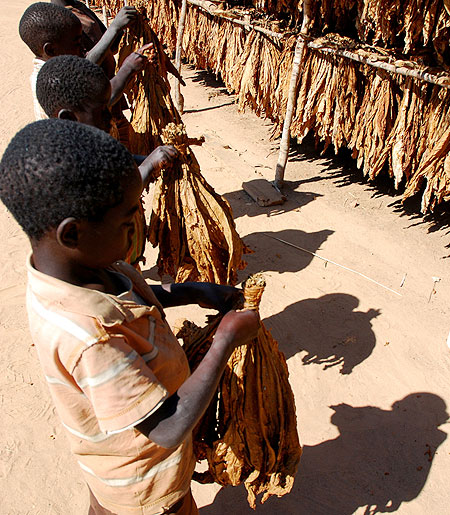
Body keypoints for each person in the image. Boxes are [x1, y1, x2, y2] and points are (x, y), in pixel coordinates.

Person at [0, 118, 260, 514]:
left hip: (110, 464)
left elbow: (136, 297)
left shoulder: (86, 269)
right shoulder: (91, 337)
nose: (135, 227)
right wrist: (224, 340)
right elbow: (166, 428)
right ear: (72, 234)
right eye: (126, 221)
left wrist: (194, 292)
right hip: (145, 482)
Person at [35, 54, 177, 267]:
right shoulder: (70, 163)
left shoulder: (91, 140)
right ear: (69, 118)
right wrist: (148, 165)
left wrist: (143, 159)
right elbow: (116, 197)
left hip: (125, 258)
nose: (110, 118)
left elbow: (118, 162)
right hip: (109, 265)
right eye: (102, 112)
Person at [18, 2, 152, 123]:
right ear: (51, 49)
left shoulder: (63, 66)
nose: (83, 49)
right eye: (77, 43)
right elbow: (98, 103)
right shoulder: (53, 81)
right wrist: (128, 68)